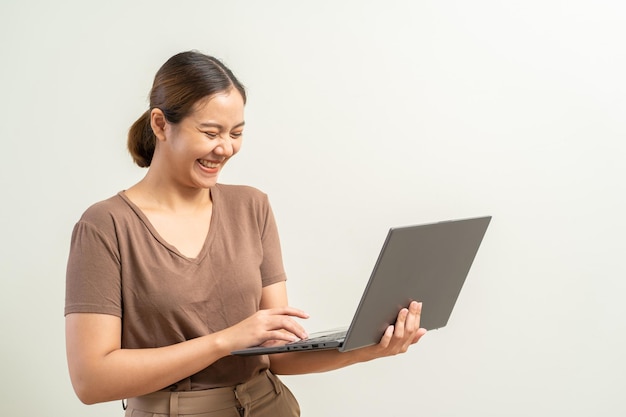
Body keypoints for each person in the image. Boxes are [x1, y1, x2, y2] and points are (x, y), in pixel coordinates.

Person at [65, 50, 427, 417]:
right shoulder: (104, 226)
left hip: (270, 406)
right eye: (210, 132)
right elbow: (91, 381)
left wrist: (371, 347)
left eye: (236, 133)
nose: (225, 148)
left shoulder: (252, 207)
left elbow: (274, 355)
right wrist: (224, 341)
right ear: (160, 125)